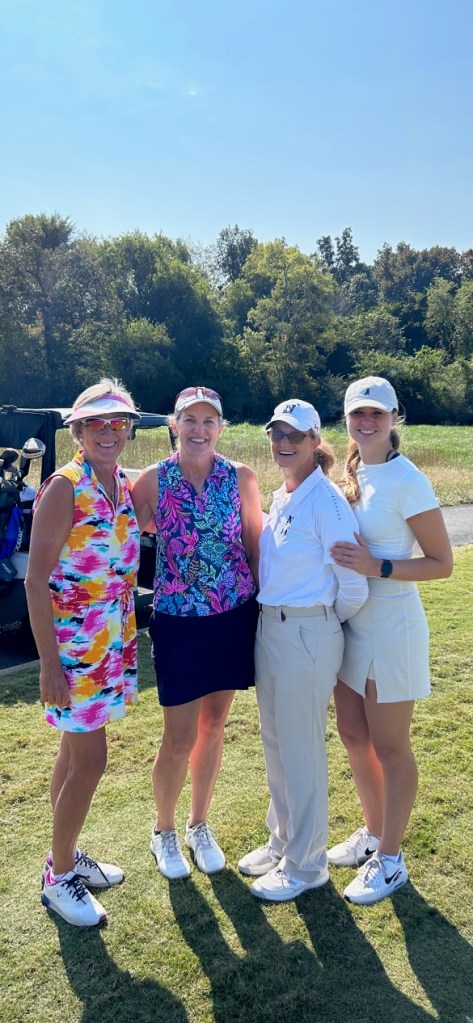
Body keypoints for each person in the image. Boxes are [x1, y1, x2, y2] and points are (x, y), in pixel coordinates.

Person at [327, 376, 453, 905]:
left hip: (392, 629)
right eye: (358, 413)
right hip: (351, 625)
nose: (367, 422)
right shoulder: (352, 471)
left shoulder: (408, 479)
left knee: (391, 747)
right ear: (347, 419)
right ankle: (374, 831)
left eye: (377, 413)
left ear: (394, 417)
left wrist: (376, 566)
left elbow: (442, 563)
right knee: (354, 736)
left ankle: (392, 858)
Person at [238, 399, 368, 902]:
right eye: (277, 434)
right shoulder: (285, 494)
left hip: (307, 633)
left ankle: (307, 864)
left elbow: (352, 585)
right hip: (271, 629)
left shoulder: (326, 502)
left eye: (295, 435)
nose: (284, 443)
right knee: (276, 743)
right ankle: (284, 841)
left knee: (302, 750)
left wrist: (322, 622)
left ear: (315, 441)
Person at [132, 386, 262, 880]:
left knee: (214, 725)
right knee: (179, 736)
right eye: (190, 420)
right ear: (174, 425)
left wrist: (262, 606)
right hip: (179, 621)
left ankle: (198, 824)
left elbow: (253, 544)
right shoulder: (153, 480)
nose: (199, 430)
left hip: (232, 616)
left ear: (221, 428)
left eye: (209, 421)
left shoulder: (240, 477)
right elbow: (126, 539)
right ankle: (163, 830)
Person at [25, 379, 141, 927]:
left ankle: (64, 855)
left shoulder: (119, 482)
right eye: (97, 423)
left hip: (109, 641)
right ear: (77, 431)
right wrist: (49, 665)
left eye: (118, 422)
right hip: (73, 651)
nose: (109, 432)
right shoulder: (64, 487)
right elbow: (34, 581)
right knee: (92, 761)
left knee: (73, 757)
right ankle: (59, 876)